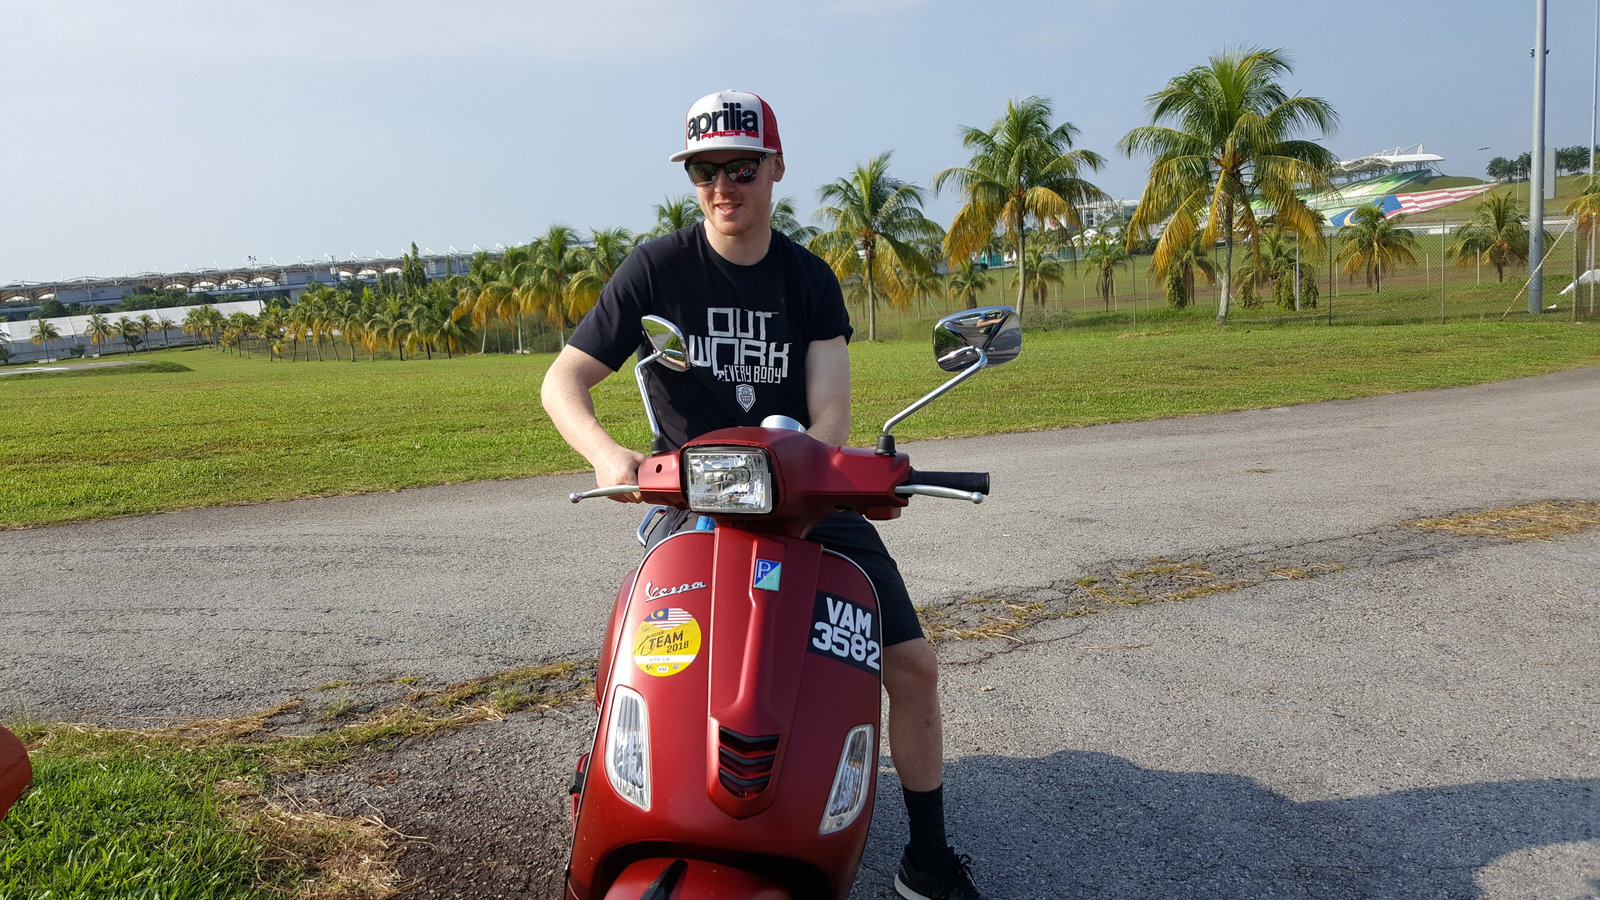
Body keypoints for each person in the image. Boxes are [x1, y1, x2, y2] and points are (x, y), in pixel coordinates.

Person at [540, 89, 984, 900]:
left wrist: (839, 474)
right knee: (644, 651)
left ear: (775, 168)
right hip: (691, 497)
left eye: (740, 167)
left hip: (803, 498)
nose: (723, 187)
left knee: (912, 665)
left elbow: (829, 416)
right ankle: (612, 782)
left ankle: (926, 855)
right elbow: (564, 378)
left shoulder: (808, 279)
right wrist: (608, 456)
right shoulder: (656, 268)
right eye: (706, 171)